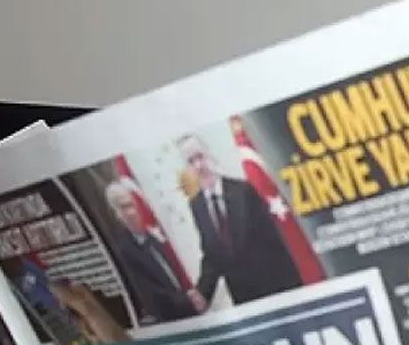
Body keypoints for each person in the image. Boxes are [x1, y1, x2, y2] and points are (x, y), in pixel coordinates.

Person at [178, 134, 304, 306]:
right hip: (244, 299)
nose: (198, 165)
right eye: (191, 162)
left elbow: (273, 240)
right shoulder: (197, 206)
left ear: (210, 155)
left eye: (200, 157)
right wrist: (202, 293)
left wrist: (294, 292)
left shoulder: (242, 191)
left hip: (273, 288)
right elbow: (212, 254)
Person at [102, 180, 204, 326]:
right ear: (117, 213)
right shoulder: (124, 251)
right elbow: (151, 297)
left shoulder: (153, 235)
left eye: (134, 204)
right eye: (125, 207)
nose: (133, 212)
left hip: (190, 310)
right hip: (170, 320)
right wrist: (188, 301)